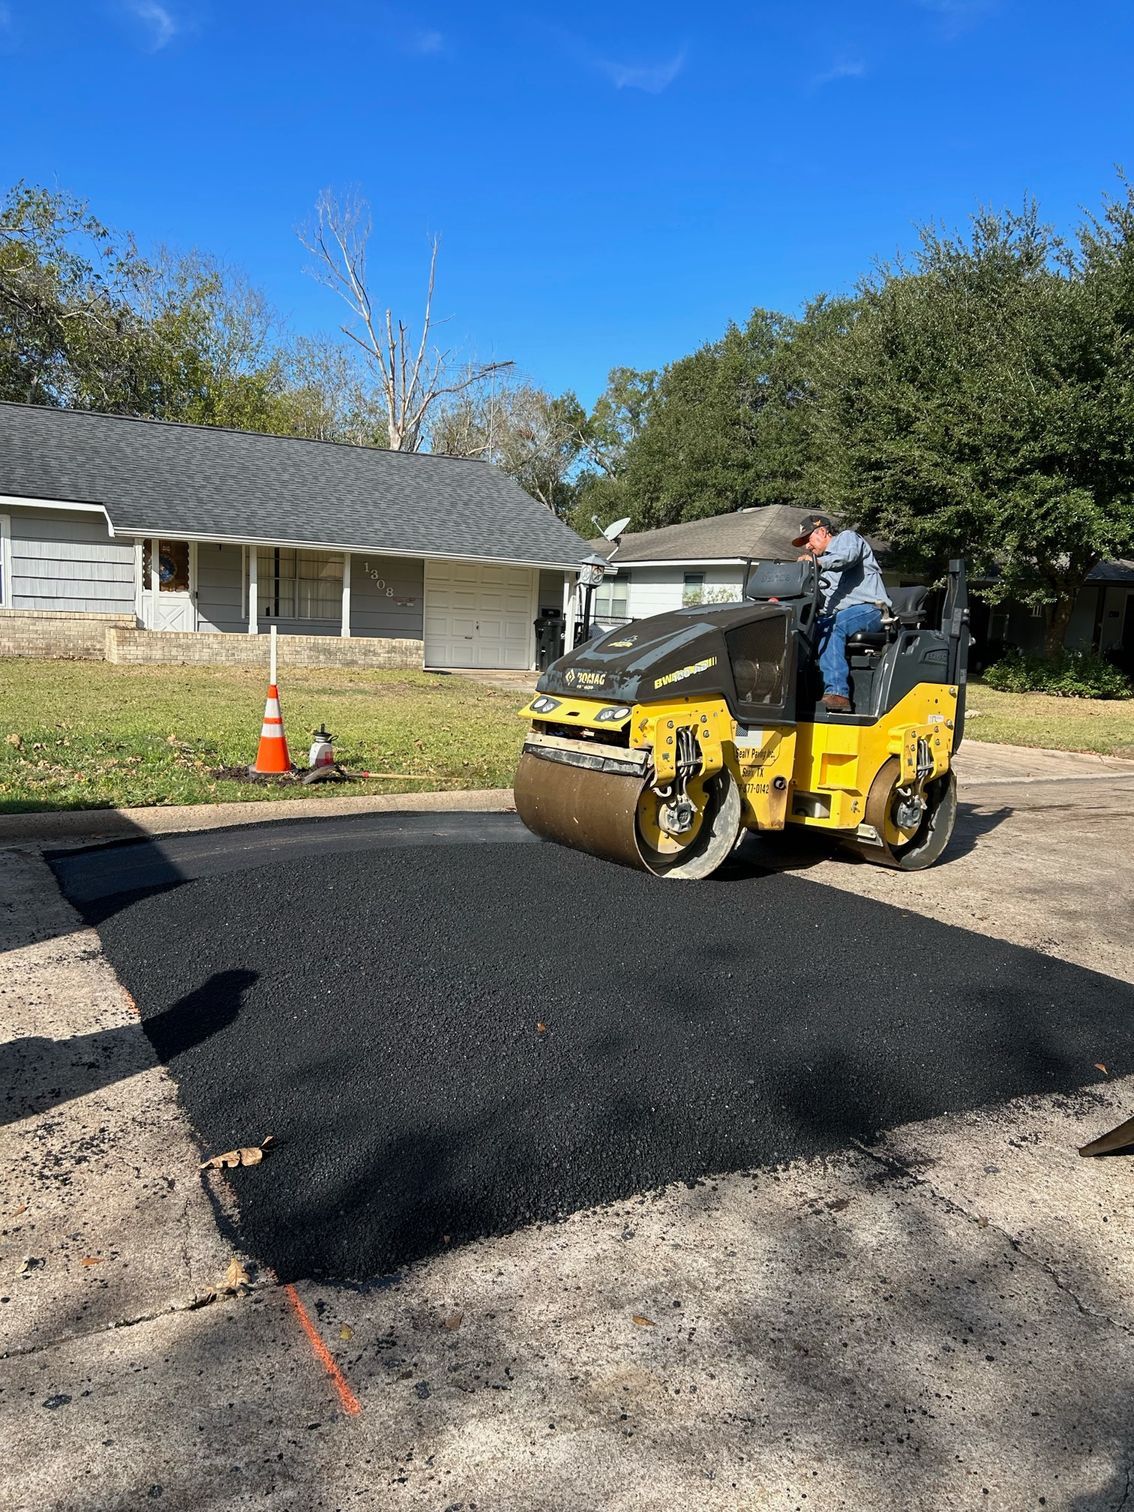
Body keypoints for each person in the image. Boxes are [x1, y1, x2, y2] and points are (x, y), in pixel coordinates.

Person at [793, 513, 891, 712]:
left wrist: (817, 564)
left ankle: (838, 693)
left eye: (808, 539)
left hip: (872, 610)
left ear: (822, 531)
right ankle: (800, 690)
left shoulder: (846, 540)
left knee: (832, 626)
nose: (807, 547)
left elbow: (847, 557)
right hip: (843, 615)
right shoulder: (822, 568)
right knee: (804, 627)